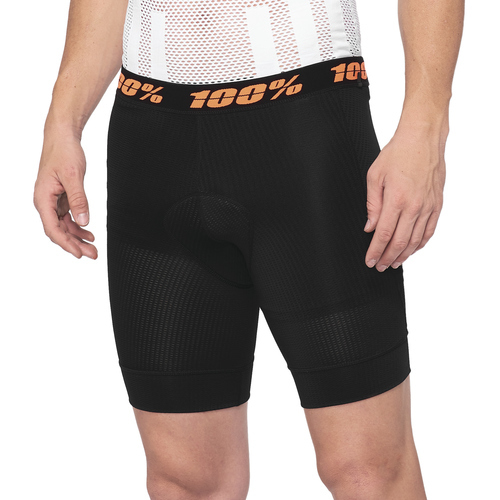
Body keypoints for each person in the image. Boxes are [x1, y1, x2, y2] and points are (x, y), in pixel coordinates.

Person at [33, 0, 463, 498]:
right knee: (185, 480)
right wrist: (61, 123)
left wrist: (426, 128)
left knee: (368, 470)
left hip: (308, 133)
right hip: (151, 145)